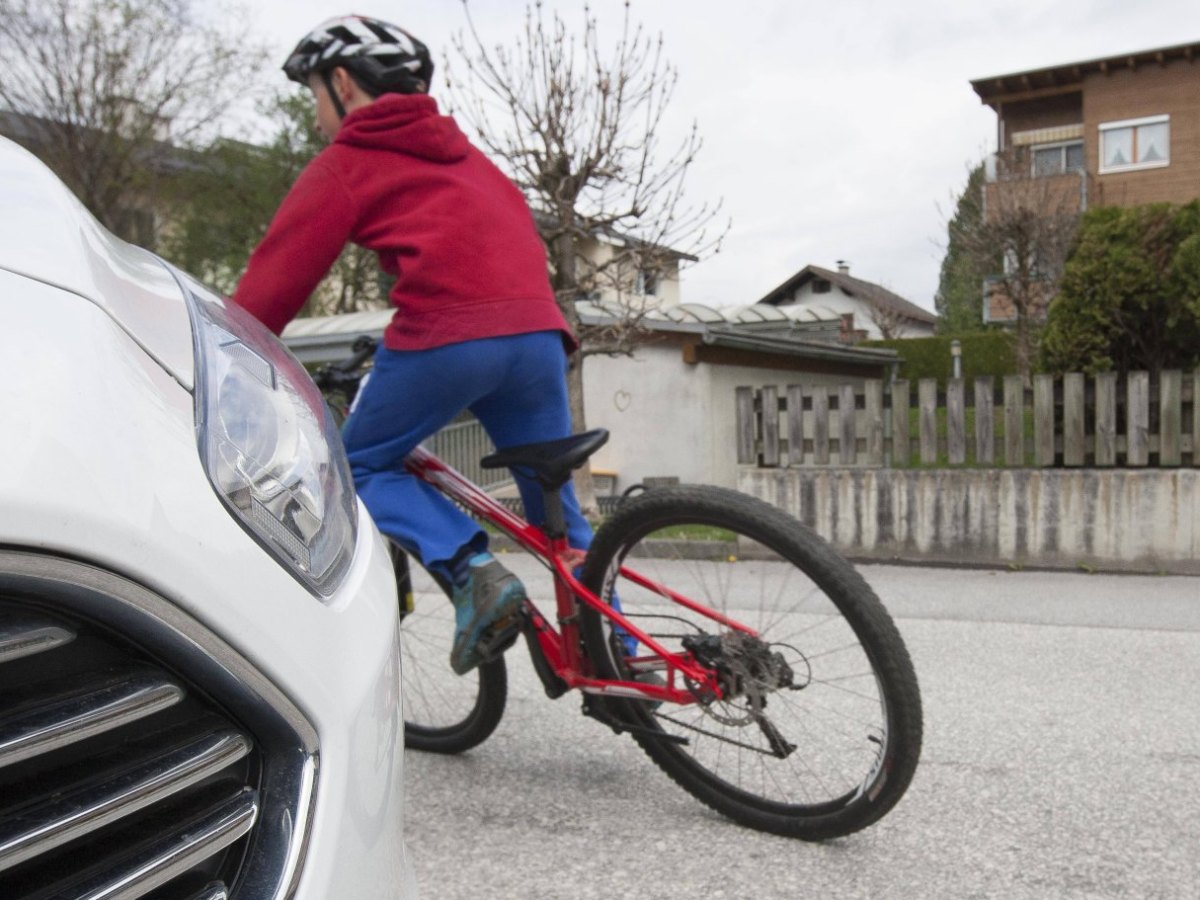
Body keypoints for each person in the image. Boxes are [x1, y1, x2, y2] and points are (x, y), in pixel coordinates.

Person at [232, 15, 594, 675]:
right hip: (541, 337)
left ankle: (471, 569)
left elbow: (264, 301)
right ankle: (616, 654)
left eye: (316, 94)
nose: (317, 116)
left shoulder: (349, 160)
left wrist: (211, 356)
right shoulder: (471, 157)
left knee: (357, 469)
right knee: (558, 519)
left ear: (343, 82)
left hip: (449, 338)